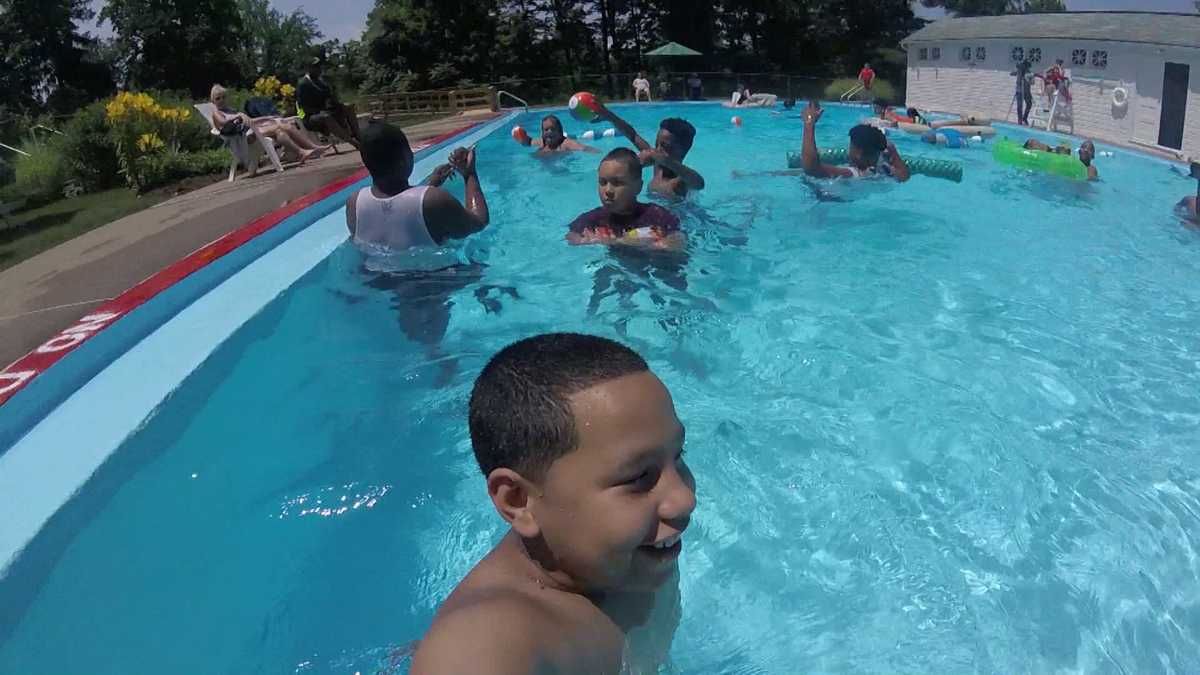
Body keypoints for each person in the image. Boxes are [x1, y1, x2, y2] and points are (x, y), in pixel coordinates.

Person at [410, 332, 694, 675]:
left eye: (678, 456)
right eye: (637, 478)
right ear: (519, 501)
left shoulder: (642, 550)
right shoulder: (488, 645)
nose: (684, 500)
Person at [345, 122, 489, 251]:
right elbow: (479, 223)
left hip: (377, 279)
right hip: (435, 278)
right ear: (404, 159)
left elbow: (397, 214)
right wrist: (469, 174)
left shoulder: (354, 203)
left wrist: (430, 186)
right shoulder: (435, 200)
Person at [566, 148, 686, 250]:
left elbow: (678, 243)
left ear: (638, 187)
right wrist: (590, 241)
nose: (607, 190)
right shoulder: (593, 219)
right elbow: (571, 237)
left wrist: (622, 242)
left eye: (617, 183)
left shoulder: (657, 216)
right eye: (603, 182)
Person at [594, 102, 705, 199]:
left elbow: (699, 183)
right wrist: (609, 115)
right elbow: (632, 135)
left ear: (683, 150)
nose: (657, 150)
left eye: (665, 146)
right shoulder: (658, 165)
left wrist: (665, 160)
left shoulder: (679, 181)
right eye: (657, 144)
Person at [208, 85, 329, 167]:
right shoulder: (216, 113)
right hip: (242, 139)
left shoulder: (231, 110)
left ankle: (309, 149)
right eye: (218, 98)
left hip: (251, 131)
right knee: (278, 127)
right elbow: (223, 123)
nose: (222, 100)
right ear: (213, 101)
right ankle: (304, 151)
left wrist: (266, 118)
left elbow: (250, 121)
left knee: (283, 127)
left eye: (224, 97)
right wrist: (238, 116)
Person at [799, 100, 910, 181]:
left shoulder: (851, 174)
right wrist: (893, 151)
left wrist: (809, 124)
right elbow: (904, 176)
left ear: (857, 152)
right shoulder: (883, 170)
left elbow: (811, 168)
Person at [297, 57, 362, 149]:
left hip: (327, 111)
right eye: (315, 67)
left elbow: (330, 99)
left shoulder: (322, 81)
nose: (319, 69)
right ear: (308, 69)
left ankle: (359, 136)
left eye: (319, 66)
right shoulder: (303, 84)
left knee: (348, 107)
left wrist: (339, 105)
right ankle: (354, 143)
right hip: (311, 117)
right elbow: (300, 108)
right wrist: (304, 117)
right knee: (325, 116)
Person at [514, 115, 598, 154]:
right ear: (542, 133)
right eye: (546, 130)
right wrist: (521, 135)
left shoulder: (566, 143)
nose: (549, 132)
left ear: (560, 132)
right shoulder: (541, 142)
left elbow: (585, 148)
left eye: (553, 129)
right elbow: (528, 142)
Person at [1021, 138, 1099, 180]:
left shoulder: (1091, 168)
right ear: (1079, 151)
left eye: (1089, 149)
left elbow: (1089, 178)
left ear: (1092, 156)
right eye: (1083, 147)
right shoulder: (1072, 161)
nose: (1085, 150)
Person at [1011, 59, 1035, 125]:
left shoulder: (1030, 73)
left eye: (1026, 66)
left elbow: (1033, 83)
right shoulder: (1019, 70)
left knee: (1029, 104)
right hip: (1019, 90)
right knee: (1019, 106)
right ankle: (1020, 120)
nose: (1025, 67)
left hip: (1027, 91)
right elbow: (1012, 73)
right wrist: (1017, 70)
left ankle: (1025, 117)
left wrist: (1028, 79)